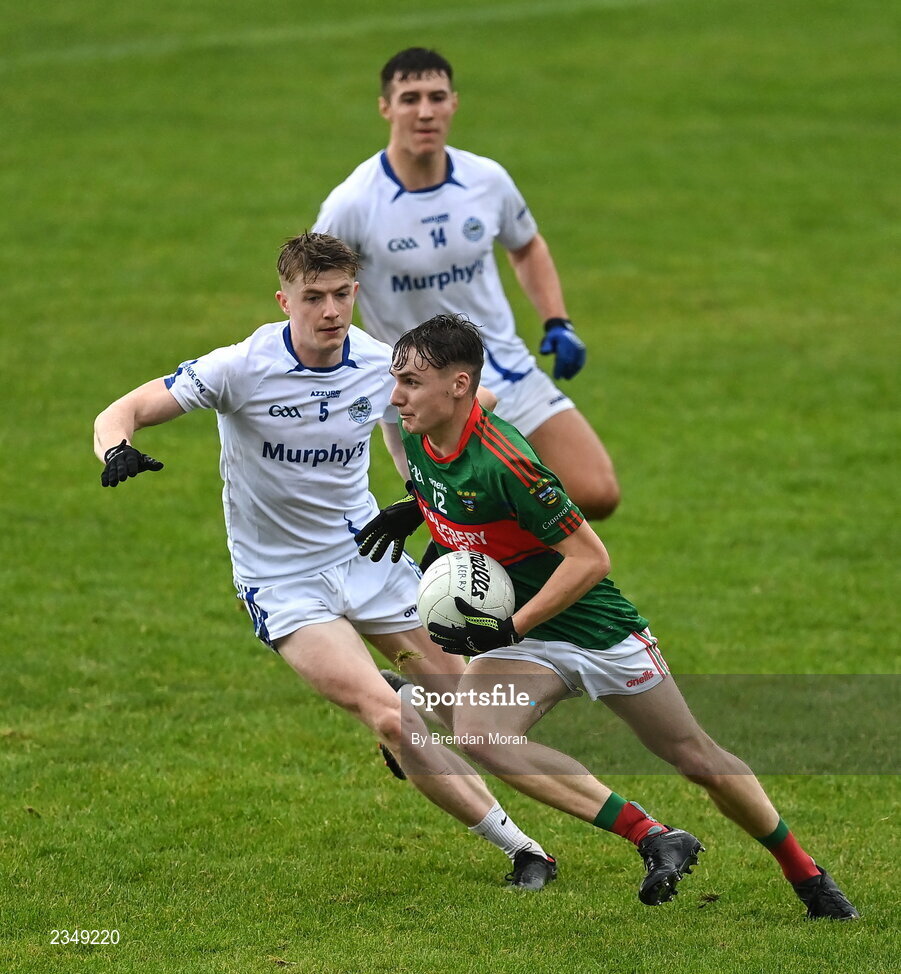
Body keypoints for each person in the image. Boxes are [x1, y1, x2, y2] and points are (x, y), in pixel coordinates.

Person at [92, 232, 558, 891]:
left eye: (341, 295)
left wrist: (424, 500)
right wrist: (116, 449)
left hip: (368, 557)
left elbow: (471, 404)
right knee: (393, 720)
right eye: (313, 297)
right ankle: (524, 850)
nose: (330, 311)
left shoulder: (378, 365)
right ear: (285, 301)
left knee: (477, 714)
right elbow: (126, 408)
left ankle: (636, 828)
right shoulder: (239, 367)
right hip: (283, 584)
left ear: (354, 294)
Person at [357, 312, 860, 919]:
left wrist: (510, 626)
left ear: (455, 385)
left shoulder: (511, 467)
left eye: (411, 381)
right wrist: (415, 505)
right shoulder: (422, 432)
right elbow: (475, 415)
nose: (397, 395)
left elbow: (591, 558)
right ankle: (655, 836)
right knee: (483, 735)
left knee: (695, 757)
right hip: (525, 636)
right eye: (397, 379)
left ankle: (806, 876)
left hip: (593, 628)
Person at [312, 46, 619, 524]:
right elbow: (319, 288)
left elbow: (526, 244)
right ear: (386, 108)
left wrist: (557, 320)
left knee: (597, 492)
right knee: (497, 516)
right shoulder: (353, 204)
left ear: (454, 102)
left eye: (437, 96)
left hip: (507, 368)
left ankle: (493, 569)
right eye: (410, 98)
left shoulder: (486, 180)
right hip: (433, 390)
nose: (426, 111)